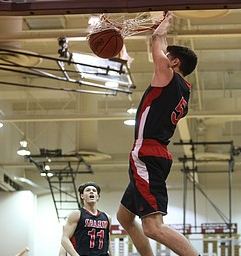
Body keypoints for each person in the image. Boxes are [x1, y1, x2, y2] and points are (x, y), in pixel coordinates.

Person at [116, 11, 200, 256]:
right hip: (157, 153)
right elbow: (161, 53)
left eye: (167, 57)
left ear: (174, 63)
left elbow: (157, 50)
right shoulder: (184, 90)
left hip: (146, 153)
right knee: (124, 217)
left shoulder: (168, 76)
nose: (162, 58)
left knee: (153, 227)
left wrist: (159, 30)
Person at [61, 181, 112, 256]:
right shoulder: (77, 214)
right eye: (88, 190)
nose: (91, 192)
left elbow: (108, 243)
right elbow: (64, 239)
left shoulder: (107, 217)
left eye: (94, 190)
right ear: (82, 196)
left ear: (97, 196)